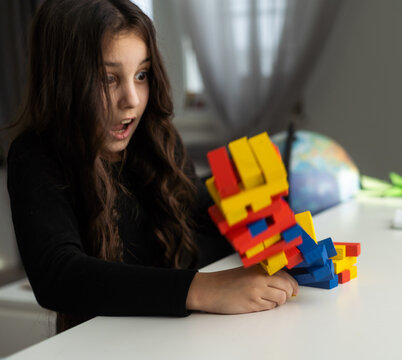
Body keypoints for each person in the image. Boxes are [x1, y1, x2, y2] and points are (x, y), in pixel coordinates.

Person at [7, 0, 298, 333]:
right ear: (63, 82)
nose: (131, 98)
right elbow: (60, 276)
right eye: (107, 79)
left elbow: (193, 219)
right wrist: (204, 289)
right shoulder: (35, 156)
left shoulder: (158, 141)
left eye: (141, 74)